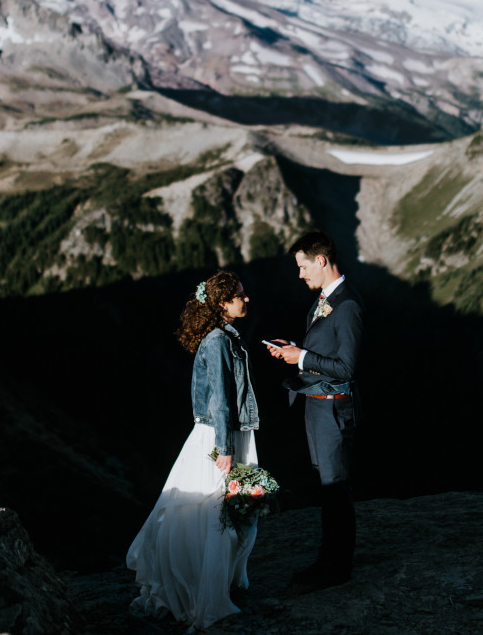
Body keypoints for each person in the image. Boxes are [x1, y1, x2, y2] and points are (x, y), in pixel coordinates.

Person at [127, 270, 261, 630]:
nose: (246, 299)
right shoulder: (218, 341)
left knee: (231, 509)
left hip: (226, 433)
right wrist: (225, 448)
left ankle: (220, 581)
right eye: (239, 295)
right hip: (221, 436)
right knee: (219, 512)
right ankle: (206, 592)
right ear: (221, 304)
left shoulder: (223, 336)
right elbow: (220, 398)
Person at [267, 230, 363, 587]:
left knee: (336, 488)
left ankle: (337, 570)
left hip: (334, 410)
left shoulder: (348, 305)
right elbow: (328, 352)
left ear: (320, 261)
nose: (300, 274)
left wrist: (302, 356)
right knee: (328, 487)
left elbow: (348, 368)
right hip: (318, 407)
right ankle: (328, 560)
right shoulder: (326, 299)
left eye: (303, 266)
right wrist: (296, 350)